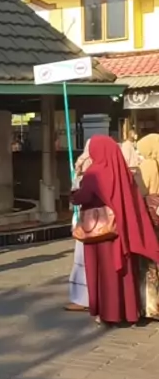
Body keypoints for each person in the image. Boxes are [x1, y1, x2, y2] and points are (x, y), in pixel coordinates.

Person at [70, 135, 159, 326]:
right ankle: (129, 313)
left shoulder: (93, 173)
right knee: (123, 272)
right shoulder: (124, 173)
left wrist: (75, 190)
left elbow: (82, 197)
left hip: (100, 232)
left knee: (102, 272)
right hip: (121, 231)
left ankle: (108, 314)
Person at [65, 140, 92, 312]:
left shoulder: (89, 169)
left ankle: (83, 298)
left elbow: (79, 197)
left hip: (91, 222)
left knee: (84, 259)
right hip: (103, 223)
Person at [135, 134, 159, 319]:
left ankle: (151, 305)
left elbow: (139, 190)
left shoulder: (148, 165)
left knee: (149, 262)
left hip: (151, 218)